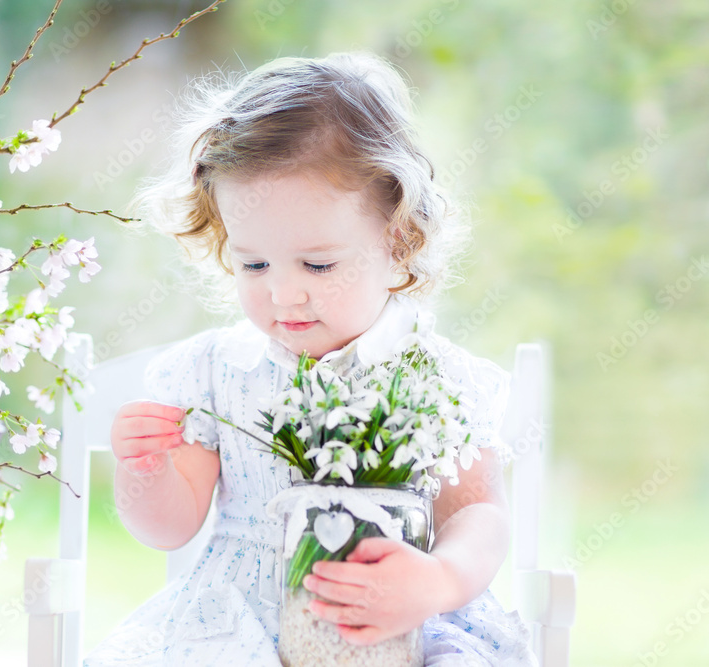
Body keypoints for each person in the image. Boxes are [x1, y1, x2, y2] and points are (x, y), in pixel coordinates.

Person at [84, 52, 536, 666]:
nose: (283, 293)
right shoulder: (216, 373)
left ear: (398, 239)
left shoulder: (438, 379)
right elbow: (170, 527)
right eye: (253, 264)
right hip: (241, 620)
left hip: (396, 614)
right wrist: (144, 470)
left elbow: (478, 512)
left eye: (318, 265)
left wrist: (439, 582)